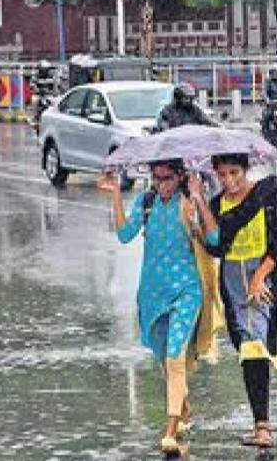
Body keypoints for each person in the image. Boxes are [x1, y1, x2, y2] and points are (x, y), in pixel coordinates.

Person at [98, 160, 215, 453]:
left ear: (180, 177)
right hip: (152, 295)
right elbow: (125, 235)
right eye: (156, 178)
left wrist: (199, 201)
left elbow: (213, 239)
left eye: (167, 178)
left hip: (186, 293)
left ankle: (171, 429)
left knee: (176, 356)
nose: (161, 184)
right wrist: (115, 195)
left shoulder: (188, 202)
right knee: (165, 359)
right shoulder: (146, 202)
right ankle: (184, 407)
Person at [197, 153, 277, 450]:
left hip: (263, 279)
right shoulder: (218, 204)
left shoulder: (267, 195)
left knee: (254, 345)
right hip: (232, 283)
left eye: (235, 173)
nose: (229, 181)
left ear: (246, 169)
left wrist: (260, 276)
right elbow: (215, 246)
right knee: (246, 348)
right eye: (222, 175)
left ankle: (262, 426)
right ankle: (260, 423)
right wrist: (199, 200)